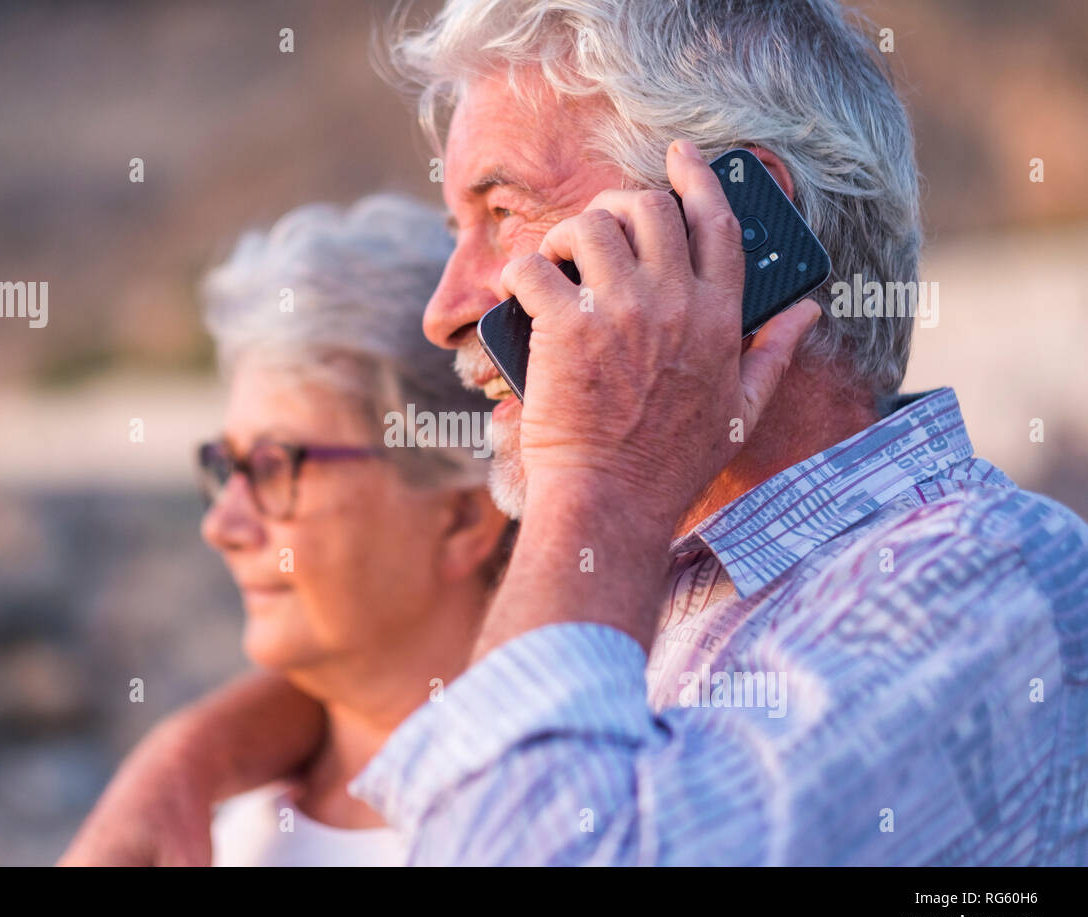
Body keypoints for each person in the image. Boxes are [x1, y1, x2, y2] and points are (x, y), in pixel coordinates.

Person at [63, 0, 1088, 866]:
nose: (445, 303)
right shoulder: (667, 572)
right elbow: (394, 677)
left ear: (723, 232)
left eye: (501, 211)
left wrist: (595, 471)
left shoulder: (976, 586)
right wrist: (191, 756)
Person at [61, 195, 510, 866]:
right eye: (226, 466)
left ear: (462, 515)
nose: (222, 524)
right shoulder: (209, 829)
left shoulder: (561, 824)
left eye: (274, 467)